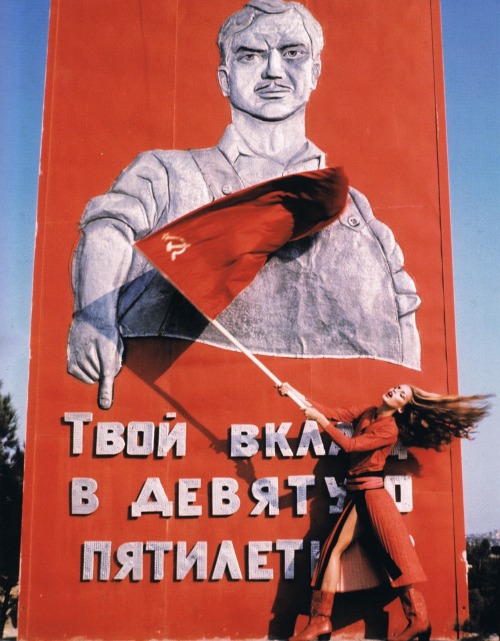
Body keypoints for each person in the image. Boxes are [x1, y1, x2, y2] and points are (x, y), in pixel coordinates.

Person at [68, 0, 421, 410]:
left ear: (315, 74)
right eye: (250, 54)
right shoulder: (169, 173)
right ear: (224, 78)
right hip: (180, 418)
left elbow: (404, 336)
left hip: (319, 444)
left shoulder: (355, 213)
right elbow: (108, 228)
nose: (273, 70)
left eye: (292, 53)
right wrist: (93, 317)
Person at [278, 382, 491, 641]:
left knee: (392, 561)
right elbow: (332, 412)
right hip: (359, 496)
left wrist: (321, 421)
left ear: (402, 408)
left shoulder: (389, 429)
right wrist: (293, 393)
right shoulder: (367, 412)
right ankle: (323, 621)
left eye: (402, 395)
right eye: (397, 388)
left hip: (373, 497)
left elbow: (351, 445)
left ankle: (414, 620)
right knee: (348, 554)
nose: (395, 392)